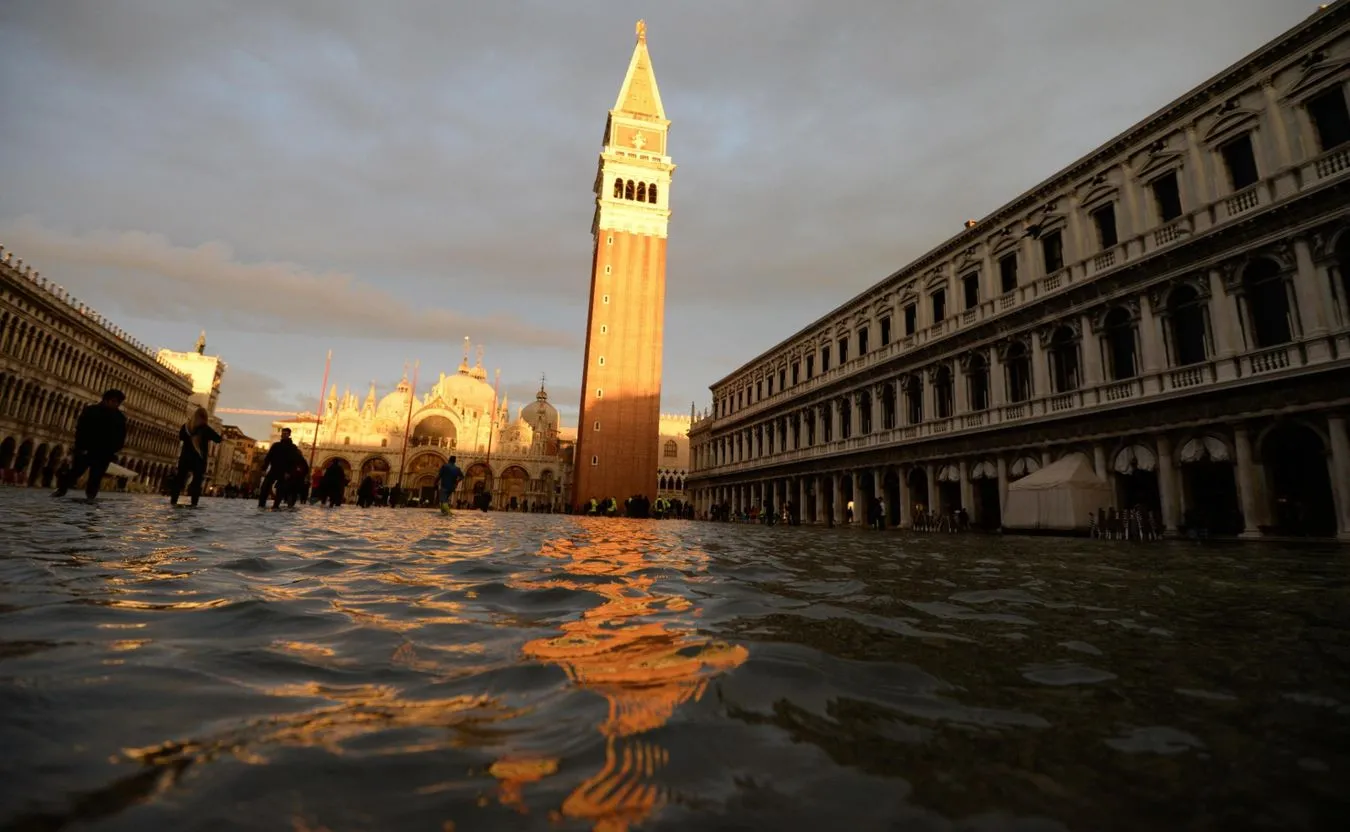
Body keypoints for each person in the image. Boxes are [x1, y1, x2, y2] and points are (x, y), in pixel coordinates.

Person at [52, 389, 127, 501]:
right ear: (105, 400)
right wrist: (81, 446)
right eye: (113, 401)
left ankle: (91, 496)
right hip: (86, 449)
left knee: (96, 476)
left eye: (118, 402)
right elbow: (81, 429)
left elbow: (121, 436)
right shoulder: (91, 411)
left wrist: (114, 449)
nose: (115, 404)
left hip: (104, 452)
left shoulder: (120, 418)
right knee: (76, 471)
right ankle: (61, 489)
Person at [169, 407, 221, 507]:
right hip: (199, 459)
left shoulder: (186, 427)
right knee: (197, 482)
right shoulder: (205, 428)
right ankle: (194, 503)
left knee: (179, 479)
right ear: (205, 418)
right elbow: (218, 439)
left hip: (185, 458)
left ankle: (173, 501)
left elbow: (181, 437)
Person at [258, 428, 301, 509]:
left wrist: (289, 472)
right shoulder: (276, 445)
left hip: (285, 471)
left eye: (286, 433)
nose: (284, 435)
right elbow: (268, 457)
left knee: (280, 489)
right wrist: (264, 468)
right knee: (265, 486)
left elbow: (294, 461)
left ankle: (276, 505)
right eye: (283, 433)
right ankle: (261, 504)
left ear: (289, 435)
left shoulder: (293, 447)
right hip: (274, 469)